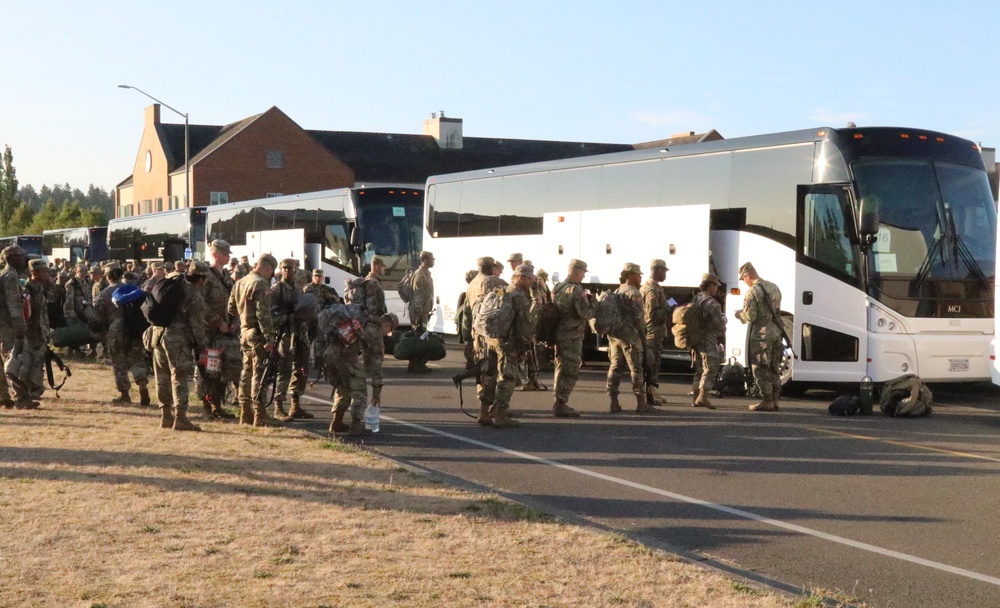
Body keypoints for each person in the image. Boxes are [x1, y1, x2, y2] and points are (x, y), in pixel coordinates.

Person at [151, 262, 209, 431]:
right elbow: (197, 326)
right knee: (179, 376)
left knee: (161, 376)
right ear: (201, 278)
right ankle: (181, 417)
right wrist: (202, 346)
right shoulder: (193, 294)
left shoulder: (172, 280)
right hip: (176, 339)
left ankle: (165, 415)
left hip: (158, 333)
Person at [228, 253, 285, 427]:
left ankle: (245, 411)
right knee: (259, 374)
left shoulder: (240, 282)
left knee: (246, 371)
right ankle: (259, 413)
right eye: (271, 272)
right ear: (267, 268)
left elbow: (231, 309)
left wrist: (245, 316)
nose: (271, 275)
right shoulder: (260, 284)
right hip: (257, 334)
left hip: (244, 332)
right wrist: (269, 337)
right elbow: (263, 314)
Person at [489, 264, 539, 429]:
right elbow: (526, 325)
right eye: (530, 279)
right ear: (521, 278)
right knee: (508, 377)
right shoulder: (519, 297)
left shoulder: (502, 290)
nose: (532, 281)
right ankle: (501, 415)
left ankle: (494, 408)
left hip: (494, 338)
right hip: (508, 341)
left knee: (496, 374)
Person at [608, 262, 657, 414]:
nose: (640, 277)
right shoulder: (633, 293)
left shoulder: (617, 290)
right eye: (637, 274)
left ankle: (614, 402)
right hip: (630, 336)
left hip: (615, 335)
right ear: (630, 275)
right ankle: (641, 403)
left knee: (615, 367)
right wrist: (643, 338)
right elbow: (639, 318)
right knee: (636, 368)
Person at [198, 239, 239, 420]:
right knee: (207, 370)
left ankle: (218, 405)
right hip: (208, 331)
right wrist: (217, 321)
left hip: (224, 332)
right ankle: (206, 406)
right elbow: (200, 304)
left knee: (223, 369)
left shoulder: (226, 278)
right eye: (225, 253)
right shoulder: (206, 276)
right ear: (215, 254)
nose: (228, 256)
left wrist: (234, 320)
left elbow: (232, 303)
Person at [735, 262, 784, 412]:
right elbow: (777, 311)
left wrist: (739, 315)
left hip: (762, 335)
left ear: (747, 275)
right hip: (776, 332)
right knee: (774, 367)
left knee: (761, 367)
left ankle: (767, 400)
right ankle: (775, 400)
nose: (744, 282)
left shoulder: (752, 292)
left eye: (743, 279)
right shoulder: (774, 287)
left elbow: (750, 316)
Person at [465, 256, 505, 426]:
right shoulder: (490, 282)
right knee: (492, 371)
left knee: (483, 370)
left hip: (477, 333)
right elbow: (500, 302)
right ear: (490, 267)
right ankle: (487, 410)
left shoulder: (472, 284)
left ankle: (486, 406)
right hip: (490, 333)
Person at [551, 259, 593, 418]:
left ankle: (558, 401)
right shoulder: (576, 290)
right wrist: (593, 303)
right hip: (572, 334)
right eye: (582, 272)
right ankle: (561, 404)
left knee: (560, 366)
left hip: (560, 332)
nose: (583, 276)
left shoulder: (558, 287)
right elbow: (586, 314)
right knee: (570, 369)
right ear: (576, 271)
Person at [7, 259, 51, 408]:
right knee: (23, 368)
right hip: (28, 334)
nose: (46, 274)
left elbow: (43, 314)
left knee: (36, 366)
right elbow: (25, 313)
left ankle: (29, 395)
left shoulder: (41, 288)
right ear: (34, 272)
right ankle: (21, 398)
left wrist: (46, 332)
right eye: (43, 271)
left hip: (39, 334)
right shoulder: (27, 290)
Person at [269, 258, 303, 422]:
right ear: (281, 270)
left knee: (301, 369)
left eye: (290, 268)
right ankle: (278, 406)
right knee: (283, 369)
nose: (288, 271)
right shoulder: (276, 289)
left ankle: (295, 404)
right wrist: (288, 317)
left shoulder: (298, 289)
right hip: (284, 334)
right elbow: (271, 314)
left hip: (299, 332)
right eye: (285, 268)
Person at [691, 273, 726, 409]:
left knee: (699, 367)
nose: (716, 289)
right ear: (711, 286)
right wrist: (723, 324)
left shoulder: (696, 298)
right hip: (708, 339)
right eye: (715, 286)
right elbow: (718, 324)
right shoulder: (712, 303)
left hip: (696, 338)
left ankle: (696, 397)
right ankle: (703, 397)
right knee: (711, 367)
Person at [0, 246, 26, 408]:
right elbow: (14, 303)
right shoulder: (10, 275)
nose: (23, 259)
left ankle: (3, 396)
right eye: (20, 256)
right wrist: (20, 327)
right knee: (14, 360)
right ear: (10, 257)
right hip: (8, 324)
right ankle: (21, 398)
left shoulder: (2, 274)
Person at [641, 259, 670, 405]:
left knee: (653, 362)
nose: (665, 274)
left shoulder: (656, 287)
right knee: (651, 363)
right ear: (657, 270)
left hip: (655, 331)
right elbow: (652, 314)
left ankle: (652, 391)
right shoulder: (651, 289)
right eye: (664, 271)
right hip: (652, 332)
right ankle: (650, 394)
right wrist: (669, 309)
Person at [407, 250, 435, 373]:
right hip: (419, 312)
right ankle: (415, 363)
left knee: (421, 336)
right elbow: (418, 296)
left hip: (423, 311)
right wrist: (420, 314)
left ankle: (416, 362)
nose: (433, 261)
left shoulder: (426, 274)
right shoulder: (419, 275)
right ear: (424, 260)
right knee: (419, 336)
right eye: (431, 259)